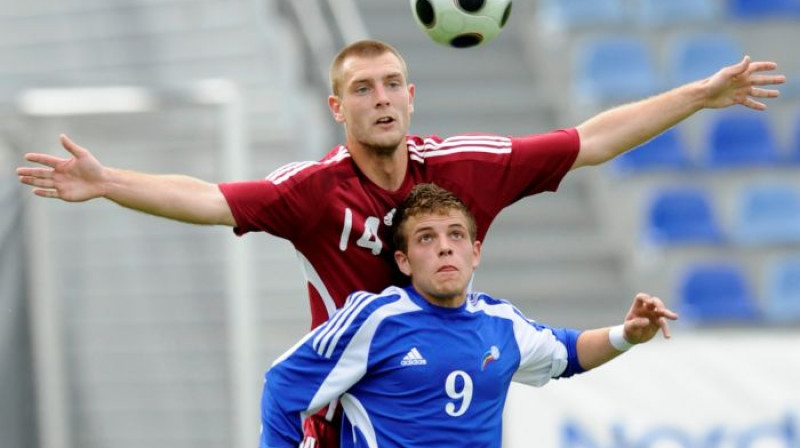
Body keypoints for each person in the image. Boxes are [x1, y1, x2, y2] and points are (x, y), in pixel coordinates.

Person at [14, 39, 782, 446]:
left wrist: (700, 94)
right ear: (337, 106)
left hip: (443, 374)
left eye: (391, 84)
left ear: (412, 96)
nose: (380, 99)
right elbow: (211, 200)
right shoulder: (311, 190)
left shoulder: (464, 168)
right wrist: (111, 180)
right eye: (362, 88)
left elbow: (588, 141)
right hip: (351, 408)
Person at [260, 183, 678, 448]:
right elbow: (283, 384)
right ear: (404, 261)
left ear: (475, 253)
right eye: (427, 238)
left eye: (456, 235)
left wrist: (627, 334)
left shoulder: (501, 323)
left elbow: (566, 353)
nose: (444, 247)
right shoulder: (375, 319)